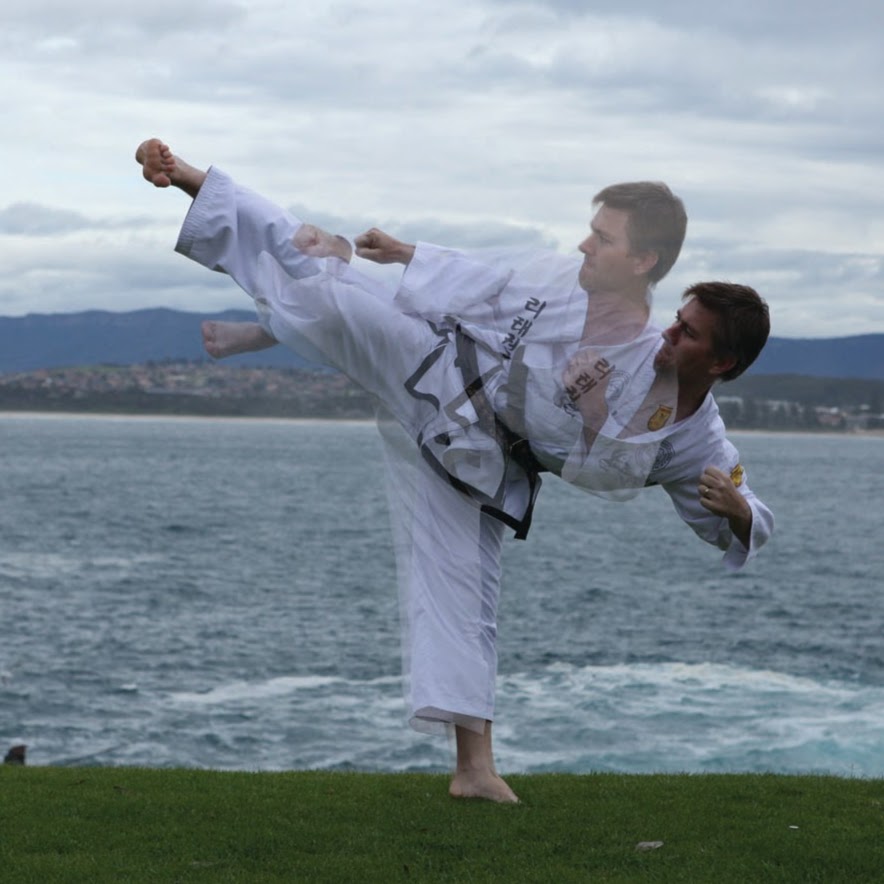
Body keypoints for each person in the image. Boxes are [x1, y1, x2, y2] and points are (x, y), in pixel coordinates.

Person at [136, 138, 773, 802]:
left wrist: (738, 512)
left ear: (720, 362)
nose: (672, 336)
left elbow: (713, 505)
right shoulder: (583, 297)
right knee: (326, 268)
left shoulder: (699, 437)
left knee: (464, 596)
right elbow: (490, 281)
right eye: (677, 321)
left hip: (485, 462)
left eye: (690, 335)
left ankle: (474, 771)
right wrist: (410, 254)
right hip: (446, 371)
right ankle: (193, 180)